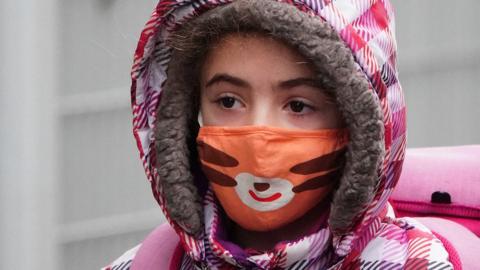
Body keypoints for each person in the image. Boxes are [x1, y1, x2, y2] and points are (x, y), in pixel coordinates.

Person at [104, 0, 459, 269]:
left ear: (357, 124)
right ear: (187, 113)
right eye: (228, 101)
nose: (259, 137)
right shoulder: (145, 264)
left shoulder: (415, 262)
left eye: (299, 106)